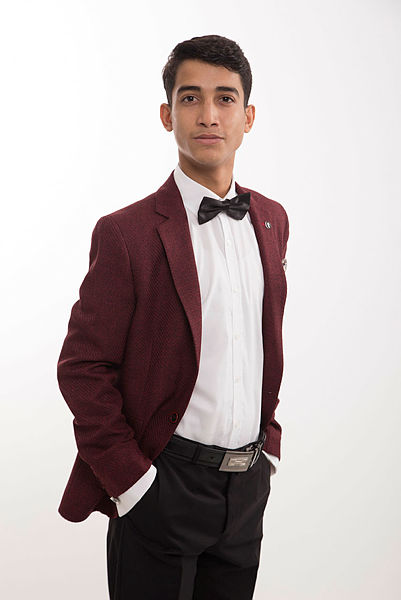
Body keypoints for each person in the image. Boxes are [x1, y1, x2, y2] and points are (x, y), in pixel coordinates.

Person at [57, 34, 289, 600]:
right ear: (167, 115)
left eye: (225, 98)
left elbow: (260, 342)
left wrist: (268, 451)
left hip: (246, 489)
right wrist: (133, 483)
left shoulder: (272, 220)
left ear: (248, 116)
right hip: (161, 484)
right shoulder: (126, 233)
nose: (209, 115)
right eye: (190, 98)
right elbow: (83, 367)